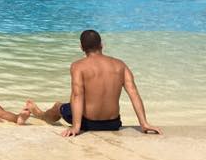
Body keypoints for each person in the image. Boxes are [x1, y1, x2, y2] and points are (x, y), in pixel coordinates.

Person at [26, 30, 161, 136]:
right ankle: (40, 114)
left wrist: (76, 127)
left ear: (81, 47)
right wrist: (144, 123)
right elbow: (133, 93)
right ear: (101, 45)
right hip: (113, 124)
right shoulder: (120, 65)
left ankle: (40, 115)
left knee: (58, 107)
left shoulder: (78, 66)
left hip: (88, 123)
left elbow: (78, 95)